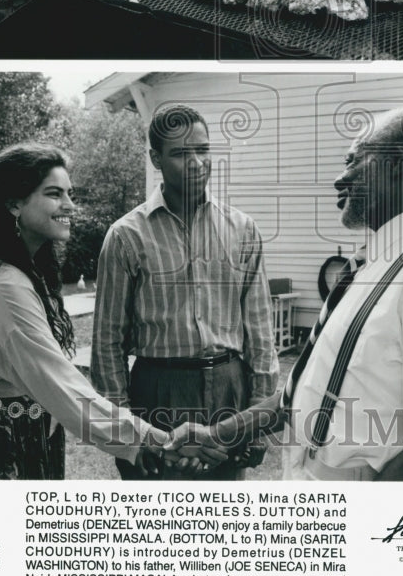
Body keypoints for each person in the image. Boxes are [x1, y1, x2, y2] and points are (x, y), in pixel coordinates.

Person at [187, 105, 403, 481]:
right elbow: (301, 392)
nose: (339, 178)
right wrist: (216, 434)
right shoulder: (374, 260)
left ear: (396, 166)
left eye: (354, 160)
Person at [0, 141, 226, 480]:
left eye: (69, 194)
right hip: (0, 444)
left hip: (18, 430)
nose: (70, 206)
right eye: (55, 194)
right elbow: (61, 385)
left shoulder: (15, 272)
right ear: (15, 202)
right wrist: (153, 440)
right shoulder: (4, 285)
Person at [91, 104, 279, 480]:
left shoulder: (242, 229)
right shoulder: (126, 236)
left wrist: (257, 419)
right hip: (159, 390)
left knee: (224, 520)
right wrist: (124, 433)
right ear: (155, 158)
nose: (195, 163)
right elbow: (106, 344)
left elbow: (259, 332)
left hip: (230, 390)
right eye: (179, 153)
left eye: (202, 150)